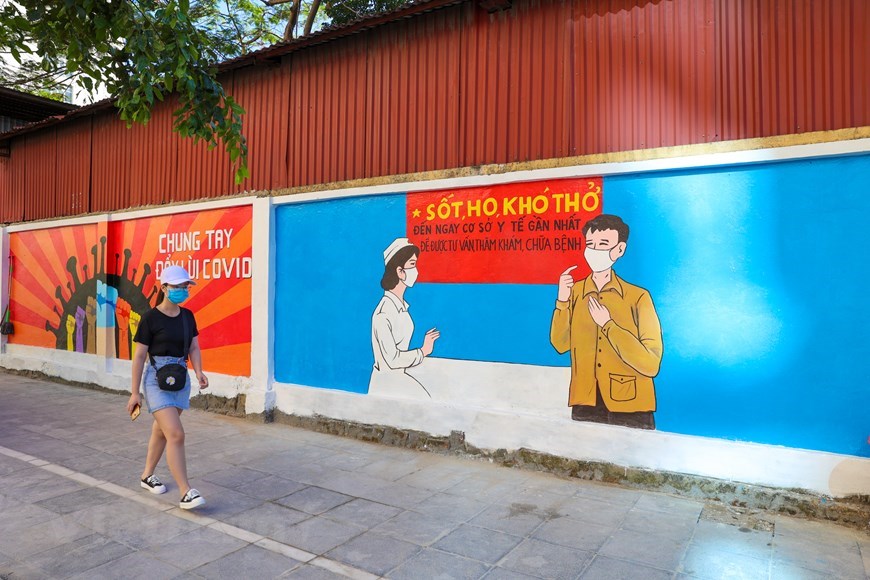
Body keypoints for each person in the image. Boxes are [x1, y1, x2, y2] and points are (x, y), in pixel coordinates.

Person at [550, 215, 663, 429]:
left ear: (619, 250)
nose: (595, 251)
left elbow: (651, 363)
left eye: (603, 244)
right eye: (590, 244)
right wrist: (562, 301)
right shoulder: (576, 292)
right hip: (586, 401)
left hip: (631, 405)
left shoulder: (638, 297)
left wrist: (609, 325)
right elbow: (560, 344)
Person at [125, 265, 209, 509]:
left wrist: (199, 371)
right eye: (177, 286)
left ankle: (147, 475)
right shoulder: (150, 318)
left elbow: (194, 347)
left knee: (162, 430)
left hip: (180, 378)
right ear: (163, 288)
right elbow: (139, 356)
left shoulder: (187, 316)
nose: (182, 290)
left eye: (185, 286)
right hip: (156, 378)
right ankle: (185, 491)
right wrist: (135, 392)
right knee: (176, 433)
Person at [369, 238, 440, 399]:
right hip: (387, 384)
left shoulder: (401, 307)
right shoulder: (383, 314)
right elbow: (392, 359)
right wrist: (423, 351)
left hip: (399, 377)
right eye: (412, 264)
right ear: (400, 272)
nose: (416, 271)